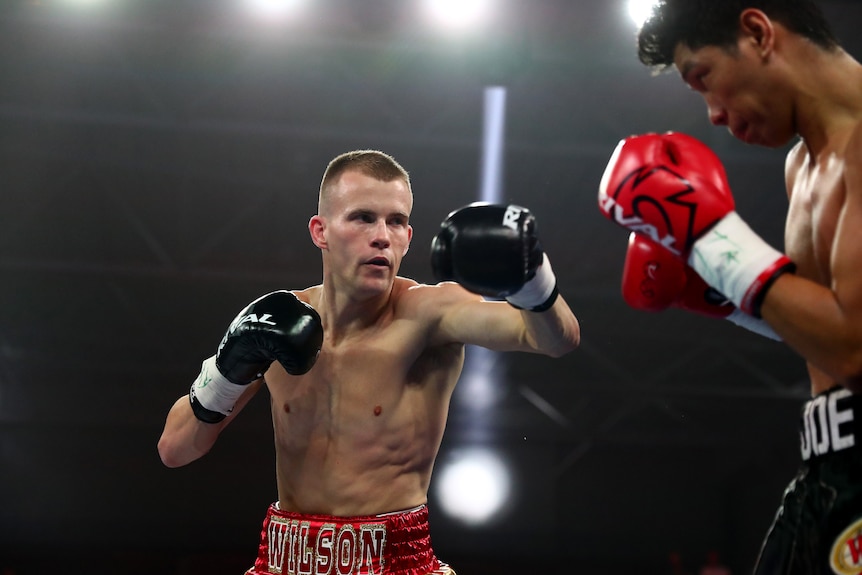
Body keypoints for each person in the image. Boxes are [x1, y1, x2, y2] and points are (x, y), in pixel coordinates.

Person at [157, 149, 580, 575]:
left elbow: (553, 339)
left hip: (395, 564)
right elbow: (174, 450)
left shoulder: (429, 314)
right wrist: (228, 372)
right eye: (363, 217)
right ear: (320, 231)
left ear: (409, 237)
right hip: (282, 562)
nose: (382, 236)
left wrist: (532, 279)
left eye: (395, 221)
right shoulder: (280, 319)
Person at [596, 2, 862, 574]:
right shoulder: (804, 166)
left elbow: (855, 349)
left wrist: (706, 237)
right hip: (826, 469)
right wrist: (719, 290)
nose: (712, 114)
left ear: (759, 33)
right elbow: (831, 329)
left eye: (702, 77)